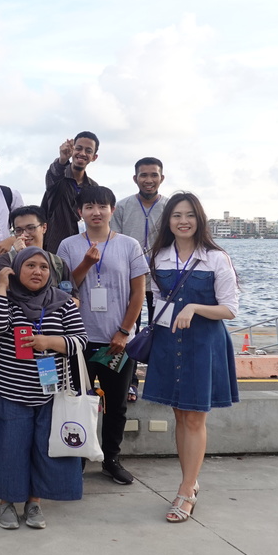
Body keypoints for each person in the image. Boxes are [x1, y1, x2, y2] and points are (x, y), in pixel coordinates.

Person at [141, 192, 240, 522]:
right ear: (168, 222)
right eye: (176, 215)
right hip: (170, 343)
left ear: (200, 219)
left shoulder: (216, 258)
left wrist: (195, 307)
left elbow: (230, 309)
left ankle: (185, 491)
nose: (183, 221)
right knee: (180, 417)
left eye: (190, 215)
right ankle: (191, 482)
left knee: (195, 417)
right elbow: (156, 306)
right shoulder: (159, 258)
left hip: (203, 345)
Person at [0, 247, 87, 530]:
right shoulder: (8, 300)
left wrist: (49, 342)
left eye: (43, 267)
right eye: (29, 265)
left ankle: (34, 503)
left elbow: (80, 341)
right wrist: (2, 286)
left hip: (50, 395)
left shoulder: (63, 302)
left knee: (44, 450)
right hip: (13, 393)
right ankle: (6, 503)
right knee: (10, 450)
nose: (37, 271)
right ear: (17, 269)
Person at [57, 186, 146, 486]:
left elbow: (138, 293)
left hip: (116, 342)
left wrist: (124, 331)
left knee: (116, 404)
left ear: (113, 210)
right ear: (79, 212)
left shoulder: (130, 245)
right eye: (89, 207)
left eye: (102, 206)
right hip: (79, 341)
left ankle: (111, 459)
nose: (96, 212)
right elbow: (63, 290)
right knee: (78, 400)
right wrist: (85, 264)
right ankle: (78, 457)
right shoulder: (68, 245)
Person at [111, 157, 168, 401]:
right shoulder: (122, 207)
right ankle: (130, 383)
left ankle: (161, 382)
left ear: (161, 178)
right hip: (131, 280)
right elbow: (113, 241)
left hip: (163, 282)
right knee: (129, 330)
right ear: (135, 178)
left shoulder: (170, 207)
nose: (149, 180)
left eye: (153, 175)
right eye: (143, 175)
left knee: (163, 329)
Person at [41, 133, 100, 253]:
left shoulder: (93, 187)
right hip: (55, 250)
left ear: (94, 157)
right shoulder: (57, 179)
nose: (82, 153)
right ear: (72, 150)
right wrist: (62, 159)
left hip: (83, 250)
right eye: (78, 148)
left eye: (88, 151)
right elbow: (54, 173)